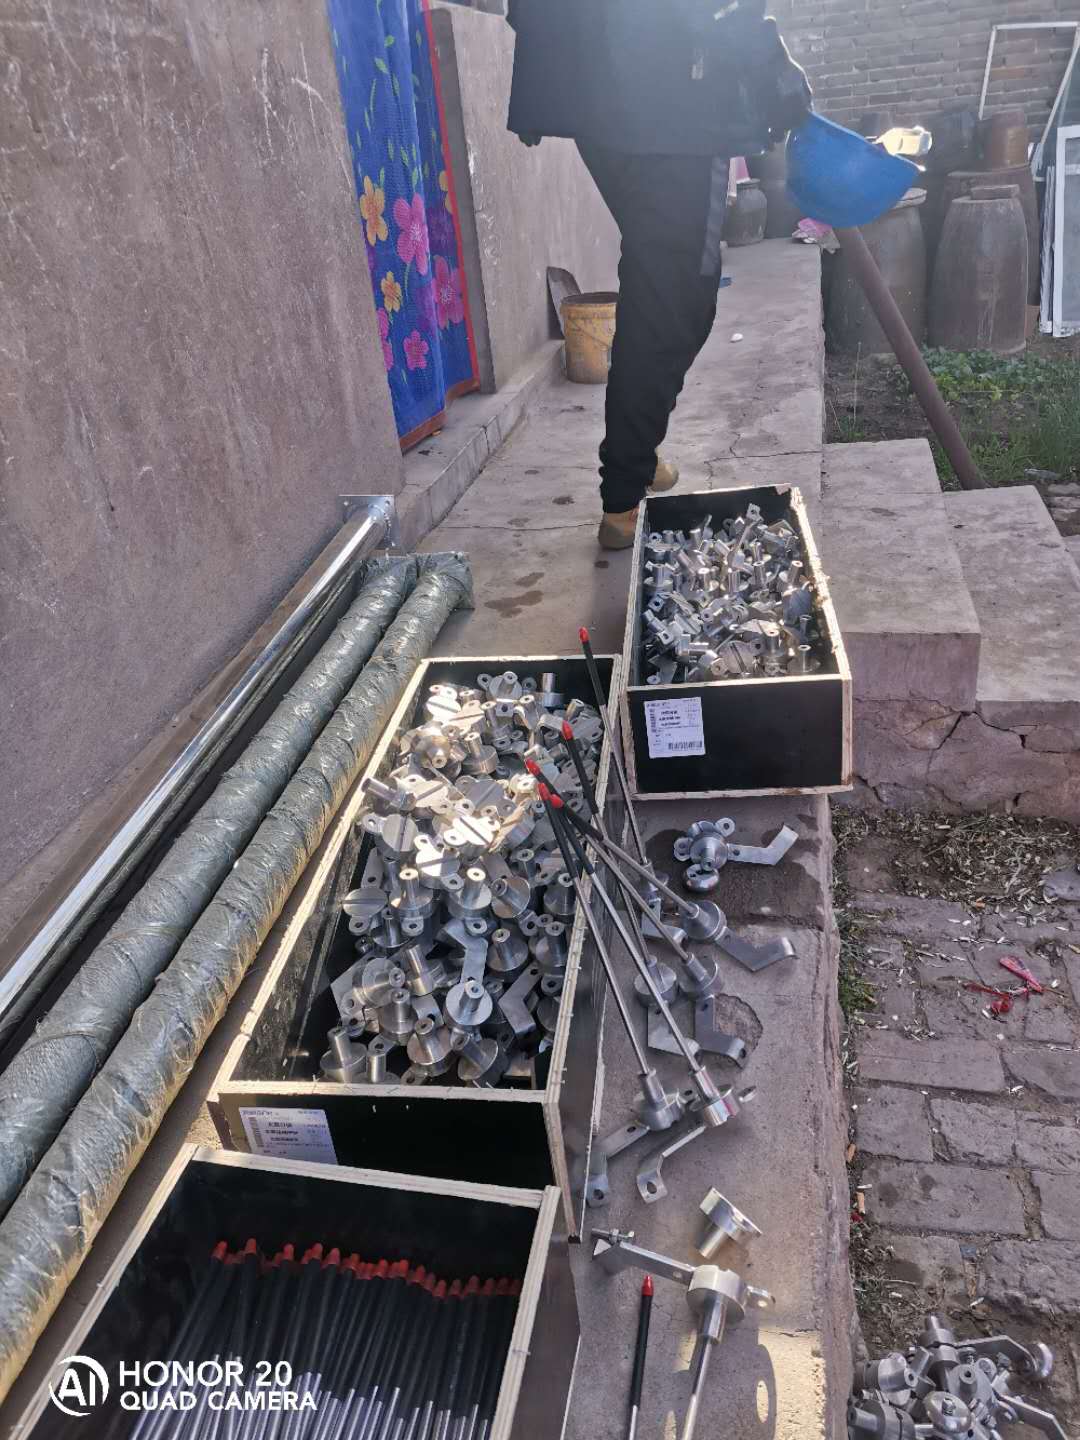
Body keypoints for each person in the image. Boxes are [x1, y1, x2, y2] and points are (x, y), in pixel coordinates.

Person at [506, 0, 811, 549]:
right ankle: (625, 488)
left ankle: (637, 457)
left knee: (658, 279)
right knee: (676, 299)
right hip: (677, 94)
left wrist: (538, 78)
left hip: (596, 87)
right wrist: (771, 63)